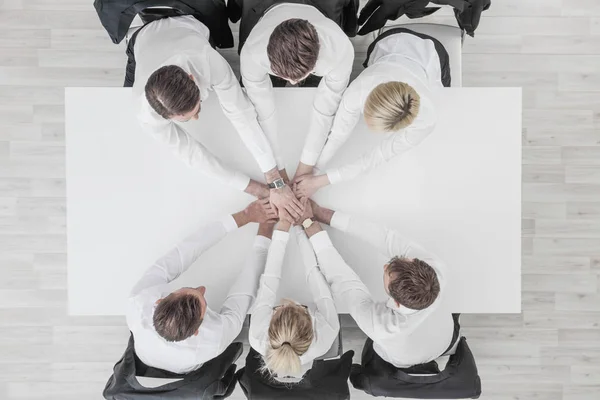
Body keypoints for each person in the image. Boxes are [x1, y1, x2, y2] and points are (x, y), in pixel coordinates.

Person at [130, 14, 302, 222]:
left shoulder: (207, 60)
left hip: (189, 22)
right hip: (142, 38)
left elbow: (241, 115)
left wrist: (274, 178)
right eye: (186, 118)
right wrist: (256, 189)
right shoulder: (145, 112)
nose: (196, 119)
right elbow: (192, 154)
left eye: (197, 108)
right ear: (163, 116)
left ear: (193, 78)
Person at [293, 27, 450, 198]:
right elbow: (338, 134)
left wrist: (321, 180)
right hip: (390, 40)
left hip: (432, 55)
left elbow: (376, 157)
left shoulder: (426, 119)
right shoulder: (359, 90)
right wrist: (312, 172)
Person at [126, 199, 278, 374]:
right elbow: (245, 290)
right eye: (202, 299)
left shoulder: (139, 301)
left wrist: (245, 216)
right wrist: (266, 228)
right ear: (197, 331)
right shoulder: (215, 338)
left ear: (159, 301)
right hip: (186, 366)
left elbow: (183, 252)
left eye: (190, 289)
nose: (202, 288)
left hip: (147, 353)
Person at [303, 200, 458, 368]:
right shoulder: (436, 269)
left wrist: (308, 223)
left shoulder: (381, 327)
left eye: (387, 274)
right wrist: (320, 212)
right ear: (416, 261)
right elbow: (384, 237)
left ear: (397, 302)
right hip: (445, 338)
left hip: (405, 360)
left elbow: (342, 278)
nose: (385, 266)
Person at [239, 3, 355, 184]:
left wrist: (305, 169)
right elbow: (264, 112)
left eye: (299, 76)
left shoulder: (340, 51)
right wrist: (278, 172)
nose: (292, 83)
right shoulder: (252, 53)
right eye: (283, 76)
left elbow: (325, 110)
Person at [248, 203, 340, 382]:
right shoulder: (327, 331)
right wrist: (299, 225)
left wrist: (284, 224)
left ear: (272, 318)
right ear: (309, 318)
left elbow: (270, 277)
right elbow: (314, 274)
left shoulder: (257, 336)